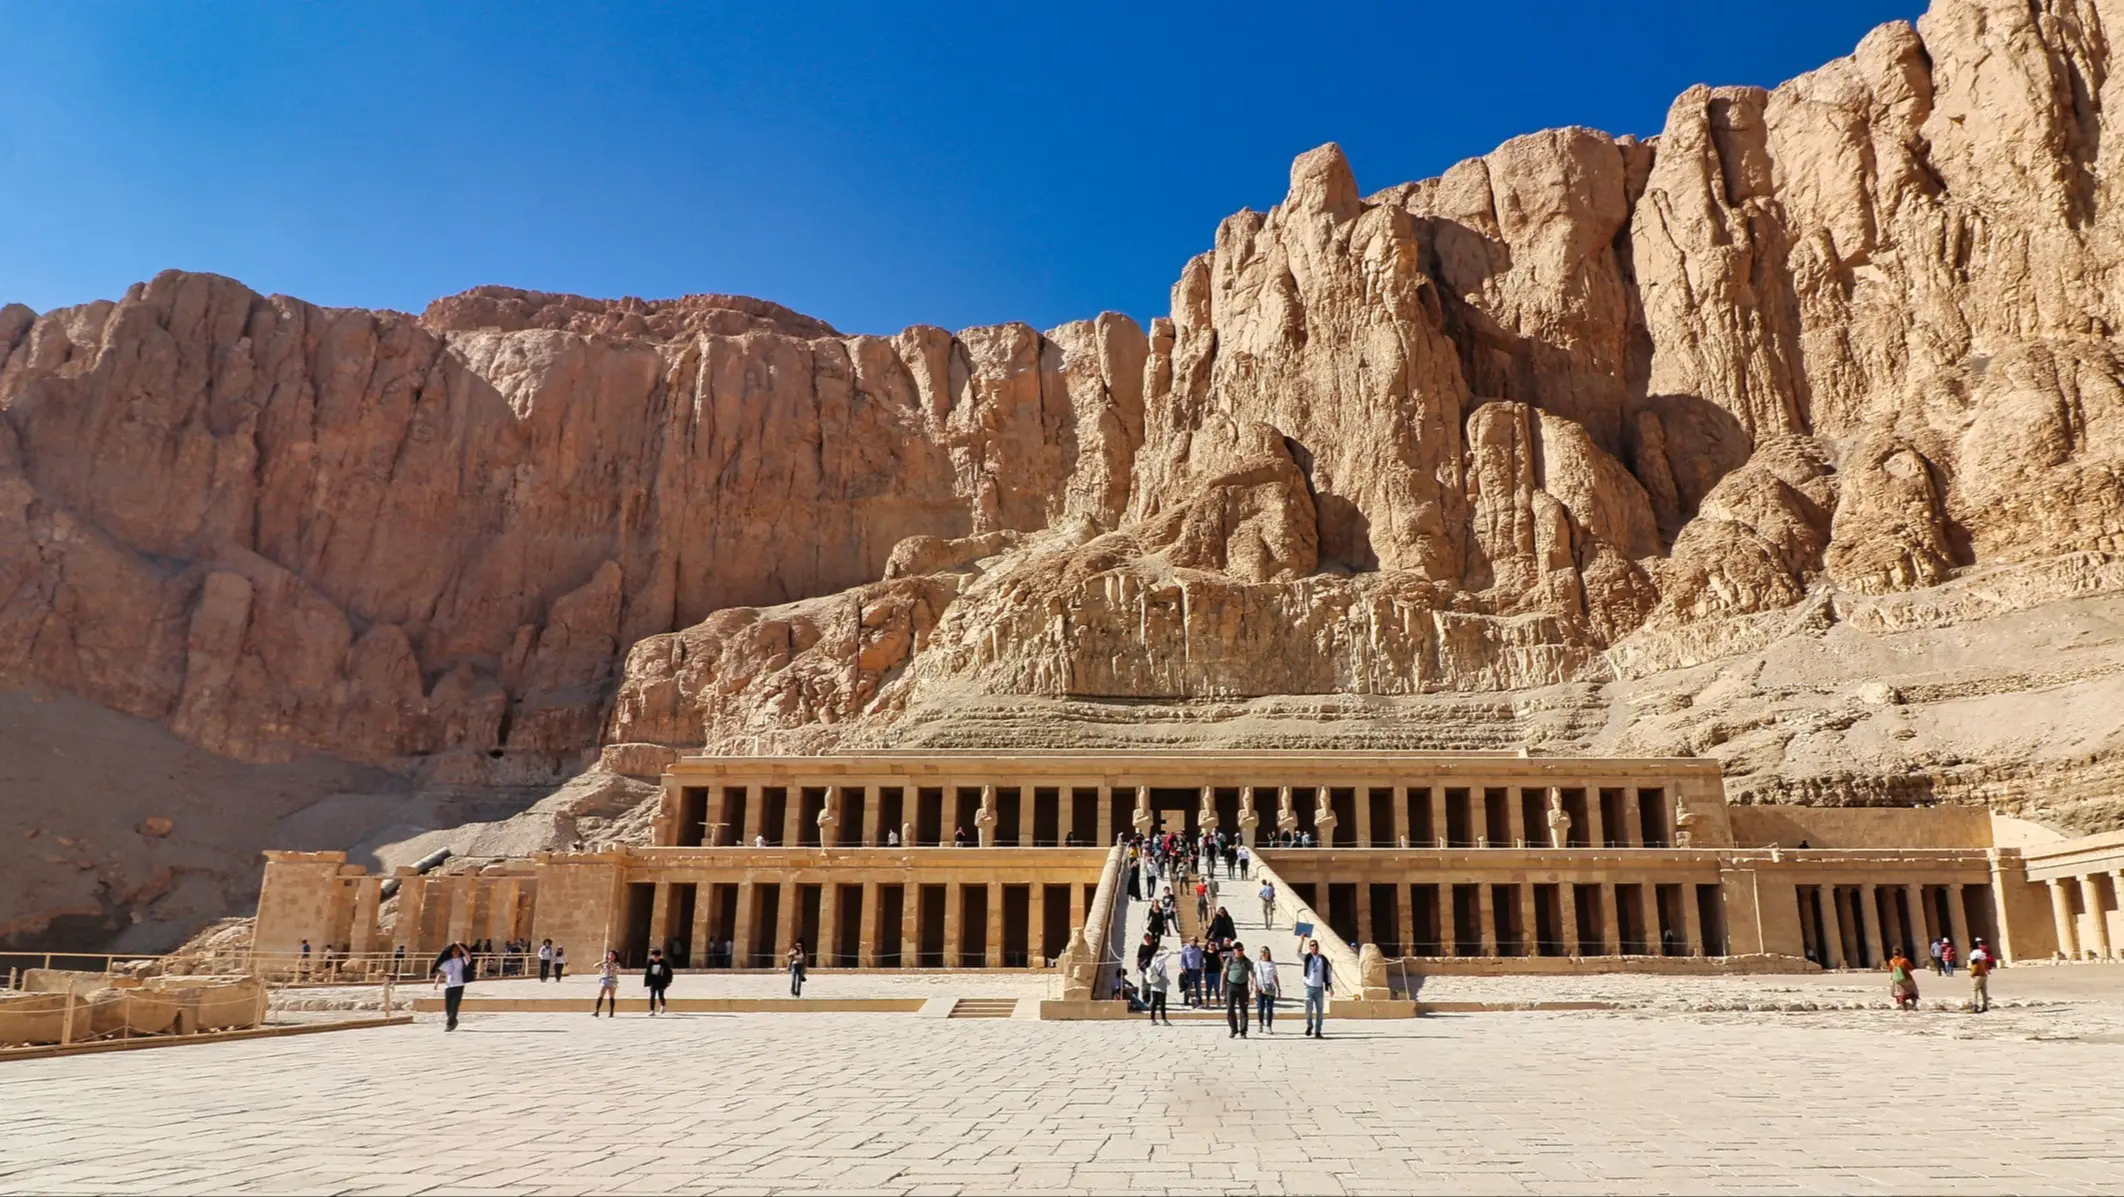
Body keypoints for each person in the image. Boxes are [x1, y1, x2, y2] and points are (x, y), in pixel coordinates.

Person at [431, 942, 471, 1031]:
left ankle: (449, 1024)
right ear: (451, 952)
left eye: (457, 951)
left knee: (454, 1005)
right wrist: (436, 984)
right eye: (454, 951)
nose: (455, 953)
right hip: (449, 986)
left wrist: (459, 945)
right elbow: (441, 973)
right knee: (448, 1007)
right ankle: (454, 1021)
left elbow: (468, 956)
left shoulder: (462, 960)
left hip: (459, 985)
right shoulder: (447, 962)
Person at [1301, 939, 1332, 1038]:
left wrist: (1330, 987)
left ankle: (1318, 1031)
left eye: (1315, 945)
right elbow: (1298, 953)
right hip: (1309, 987)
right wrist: (1301, 941)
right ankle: (1309, 1025)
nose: (1314, 947)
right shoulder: (1307, 957)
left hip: (1319, 988)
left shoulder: (1323, 959)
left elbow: (1328, 973)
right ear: (1309, 947)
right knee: (1308, 1009)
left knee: (1320, 1011)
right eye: (1312, 945)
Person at [1223, 941, 1254, 1038]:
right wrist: (1221, 986)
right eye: (1239, 950)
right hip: (1231, 986)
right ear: (1234, 951)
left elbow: (1252, 973)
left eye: (1242, 950)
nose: (1241, 952)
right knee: (1230, 1008)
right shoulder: (1229, 960)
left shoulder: (1246, 961)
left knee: (1243, 1010)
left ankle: (1243, 1032)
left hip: (1243, 987)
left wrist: (1254, 985)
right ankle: (1233, 1029)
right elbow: (1224, 973)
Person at [1253, 946, 1280, 1033]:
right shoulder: (1257, 963)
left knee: (1269, 1008)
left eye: (1265, 952)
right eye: (1262, 952)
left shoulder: (1272, 964)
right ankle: (1261, 1023)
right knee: (1260, 1008)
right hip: (1260, 988)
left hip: (1270, 987)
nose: (1264, 953)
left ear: (1268, 953)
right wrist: (1255, 985)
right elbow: (1254, 975)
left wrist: (1278, 988)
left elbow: (1275, 976)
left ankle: (1269, 1026)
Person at [1145, 945, 1172, 1025]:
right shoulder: (1161, 960)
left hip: (1154, 981)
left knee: (1154, 1001)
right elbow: (1169, 953)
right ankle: (1164, 1020)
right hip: (1161, 982)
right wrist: (1166, 950)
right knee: (1162, 1002)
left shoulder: (1153, 960)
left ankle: (1152, 1019)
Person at [1888, 947, 1920, 1011]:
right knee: (1912, 992)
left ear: (1893, 954)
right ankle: (1914, 1006)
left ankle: (1904, 1008)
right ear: (1901, 953)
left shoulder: (1891, 961)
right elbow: (1911, 968)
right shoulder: (1904, 960)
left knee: (1900, 994)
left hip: (1897, 980)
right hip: (1907, 978)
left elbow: (1890, 970)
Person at [643, 947, 673, 1015]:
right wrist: (647, 983)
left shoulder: (663, 962)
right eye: (654, 956)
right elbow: (648, 972)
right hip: (653, 981)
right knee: (652, 995)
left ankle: (663, 1005)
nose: (655, 958)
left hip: (661, 981)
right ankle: (652, 1010)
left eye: (656, 956)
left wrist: (669, 981)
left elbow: (669, 972)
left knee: (660, 995)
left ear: (659, 956)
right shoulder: (650, 962)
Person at [1967, 938, 1994, 1013]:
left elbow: (1975, 965)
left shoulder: (1973, 954)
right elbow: (1985, 964)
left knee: (1974, 990)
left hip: (1977, 974)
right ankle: (1985, 1006)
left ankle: (1974, 1007)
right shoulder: (1982, 953)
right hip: (1984, 974)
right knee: (1984, 991)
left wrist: (1972, 973)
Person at [593, 950, 621, 1017]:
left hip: (612, 980)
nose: (611, 956)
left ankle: (611, 1012)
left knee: (611, 996)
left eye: (612, 955)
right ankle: (597, 1011)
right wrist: (602, 962)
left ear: (615, 956)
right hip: (605, 979)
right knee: (601, 995)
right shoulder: (605, 963)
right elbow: (595, 966)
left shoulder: (617, 964)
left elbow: (618, 970)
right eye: (610, 955)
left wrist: (613, 967)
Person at [1180, 938, 1205, 1008]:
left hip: (1197, 970)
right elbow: (1182, 959)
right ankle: (1186, 1000)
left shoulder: (1199, 949)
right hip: (1189, 970)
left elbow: (1201, 959)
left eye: (1196, 941)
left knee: (1198, 987)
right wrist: (1183, 968)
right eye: (1194, 941)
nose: (1195, 942)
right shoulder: (1185, 949)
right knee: (1188, 986)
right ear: (1190, 941)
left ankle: (1199, 1001)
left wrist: (1202, 966)